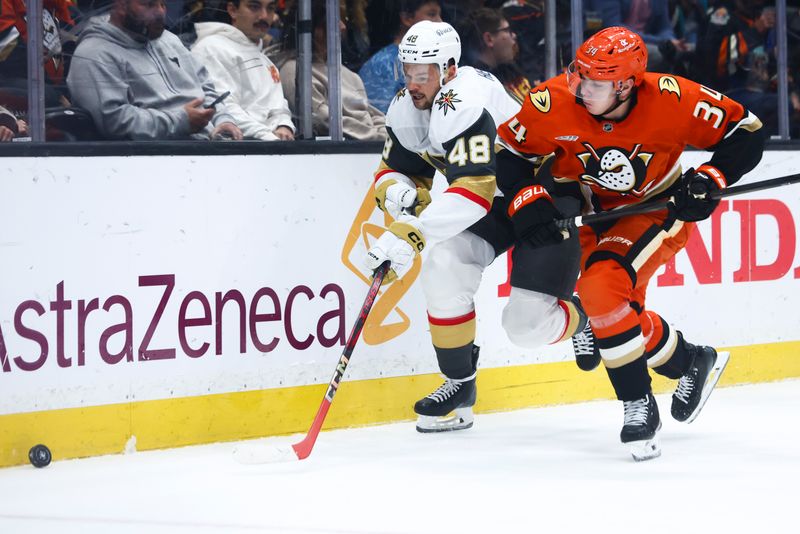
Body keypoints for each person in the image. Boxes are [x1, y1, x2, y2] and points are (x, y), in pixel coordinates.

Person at [496, 26, 765, 460]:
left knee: (600, 291)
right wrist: (528, 199)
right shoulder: (554, 100)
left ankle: (638, 404)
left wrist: (711, 178)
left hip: (653, 209)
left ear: (626, 84)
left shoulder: (674, 98)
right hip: (581, 208)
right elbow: (510, 152)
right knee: (611, 311)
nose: (579, 88)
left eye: (595, 82)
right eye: (578, 74)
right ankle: (688, 360)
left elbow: (747, 132)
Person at [364, 20, 596, 433]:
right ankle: (459, 384)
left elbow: (472, 191)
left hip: (542, 196)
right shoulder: (408, 106)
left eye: (424, 73)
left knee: (526, 328)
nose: (413, 83)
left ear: (449, 69)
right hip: (495, 202)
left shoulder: (464, 100)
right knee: (443, 265)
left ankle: (584, 317)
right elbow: (395, 171)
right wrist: (398, 192)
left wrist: (412, 232)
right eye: (408, 71)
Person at [67, 0, 242, 140]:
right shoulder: (94, 54)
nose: (160, 12)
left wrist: (224, 120)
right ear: (121, 5)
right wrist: (180, 121)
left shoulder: (169, 40)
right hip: (154, 159)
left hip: (209, 146)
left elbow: (206, 88)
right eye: (149, 4)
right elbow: (113, 121)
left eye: (162, 4)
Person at [277, 0, 385, 140]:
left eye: (340, 20)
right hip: (345, 150)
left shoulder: (350, 75)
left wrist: (387, 135)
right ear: (311, 28)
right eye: (330, 21)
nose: (342, 26)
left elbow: (374, 115)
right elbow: (322, 119)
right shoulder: (295, 70)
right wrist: (374, 137)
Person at [191, 0, 296, 141]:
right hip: (232, 152)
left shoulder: (266, 61)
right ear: (233, 10)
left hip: (268, 147)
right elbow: (222, 106)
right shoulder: (211, 48)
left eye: (270, 8)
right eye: (254, 7)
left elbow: (279, 107)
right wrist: (269, 138)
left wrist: (284, 126)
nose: (264, 16)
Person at [359, 0, 442, 113]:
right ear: (407, 18)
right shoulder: (382, 64)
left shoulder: (438, 56)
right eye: (432, 14)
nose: (440, 21)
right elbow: (382, 117)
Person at [457, 7, 531, 103]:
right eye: (507, 30)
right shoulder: (475, 86)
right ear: (489, 39)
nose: (514, 35)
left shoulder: (511, 72)